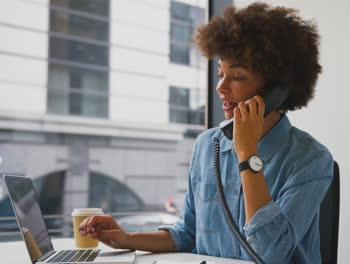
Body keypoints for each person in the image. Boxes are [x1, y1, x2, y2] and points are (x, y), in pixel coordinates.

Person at [79, 3, 333, 263]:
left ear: (276, 88)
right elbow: (188, 232)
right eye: (220, 74)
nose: (221, 88)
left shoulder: (310, 160)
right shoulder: (207, 145)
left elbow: (269, 253)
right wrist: (125, 238)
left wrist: (247, 155)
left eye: (236, 77)